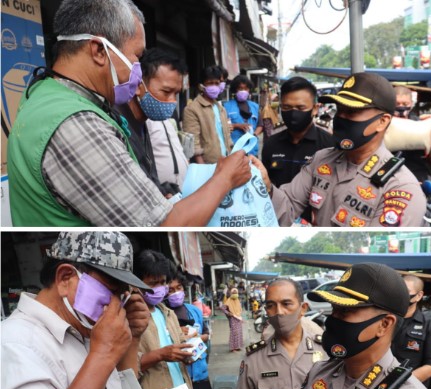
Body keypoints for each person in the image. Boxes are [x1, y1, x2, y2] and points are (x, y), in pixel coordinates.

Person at [7, 0, 251, 227]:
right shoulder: (77, 123)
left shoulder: (44, 93)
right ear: (99, 51)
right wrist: (225, 177)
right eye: (136, 56)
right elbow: (163, 225)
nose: (138, 69)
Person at [204, 263, 431, 389]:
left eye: (345, 313)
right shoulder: (321, 374)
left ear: (384, 324)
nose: (332, 320)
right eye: (333, 310)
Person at [1, 231, 151, 389]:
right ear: (64, 278)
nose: (117, 306)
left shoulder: (88, 331)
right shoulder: (16, 342)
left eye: (123, 296)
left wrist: (133, 340)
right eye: (111, 291)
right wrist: (102, 355)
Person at [250, 72, 427, 227]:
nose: (341, 118)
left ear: (382, 121)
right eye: (339, 110)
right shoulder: (322, 159)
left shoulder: (399, 188)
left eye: (351, 112)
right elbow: (287, 209)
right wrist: (267, 186)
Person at [236, 278, 325, 389]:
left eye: (286, 304)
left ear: (303, 308)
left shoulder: (326, 352)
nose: (279, 312)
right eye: (271, 306)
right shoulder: (254, 359)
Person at [134, 250, 193, 389]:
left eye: (163, 282)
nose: (160, 288)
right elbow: (127, 369)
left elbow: (181, 344)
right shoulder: (130, 317)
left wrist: (188, 352)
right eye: (153, 283)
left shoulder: (166, 313)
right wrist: (161, 354)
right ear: (135, 281)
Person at [261, 77, 334, 188]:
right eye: (287, 107)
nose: (293, 113)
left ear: (314, 109)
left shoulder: (329, 145)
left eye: (300, 108)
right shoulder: (271, 144)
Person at [141, 48, 189, 189]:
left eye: (176, 93)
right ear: (140, 82)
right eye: (166, 91)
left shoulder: (167, 113)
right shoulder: (136, 120)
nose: (172, 101)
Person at [167, 270, 214, 389]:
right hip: (179, 380)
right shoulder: (165, 315)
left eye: (179, 288)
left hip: (201, 375)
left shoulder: (194, 310)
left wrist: (197, 337)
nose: (176, 293)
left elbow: (206, 334)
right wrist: (178, 333)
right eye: (170, 290)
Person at [391, 275, 431, 389]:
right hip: (376, 381)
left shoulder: (430, 325)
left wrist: (397, 382)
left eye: (407, 291)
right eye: (399, 290)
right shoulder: (386, 318)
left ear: (419, 296)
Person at [393, 86, 431, 183]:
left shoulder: (419, 124)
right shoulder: (381, 124)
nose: (401, 106)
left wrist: (429, 127)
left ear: (411, 104)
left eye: (405, 103)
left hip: (418, 178)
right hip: (389, 176)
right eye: (397, 103)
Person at [183, 66, 232, 164]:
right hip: (208, 165)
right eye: (210, 83)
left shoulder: (220, 108)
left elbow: (226, 136)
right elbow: (192, 144)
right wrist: (203, 168)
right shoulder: (192, 109)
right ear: (201, 86)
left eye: (217, 83)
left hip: (225, 162)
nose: (214, 86)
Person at [223, 74, 263, 156]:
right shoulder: (226, 106)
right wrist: (237, 125)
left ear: (249, 90)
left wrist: (254, 134)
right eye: (240, 88)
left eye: (246, 88)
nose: (243, 91)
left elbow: (260, 125)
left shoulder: (255, 106)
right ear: (235, 90)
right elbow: (223, 126)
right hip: (234, 149)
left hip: (252, 149)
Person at [223, 288, 244, 352]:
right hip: (233, 318)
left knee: (239, 333)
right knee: (234, 333)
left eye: (236, 293)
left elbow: (239, 309)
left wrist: (239, 315)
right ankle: (233, 348)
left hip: (238, 318)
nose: (235, 295)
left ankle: (238, 346)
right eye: (233, 293)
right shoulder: (228, 300)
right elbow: (223, 308)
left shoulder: (237, 300)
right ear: (231, 294)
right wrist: (228, 313)